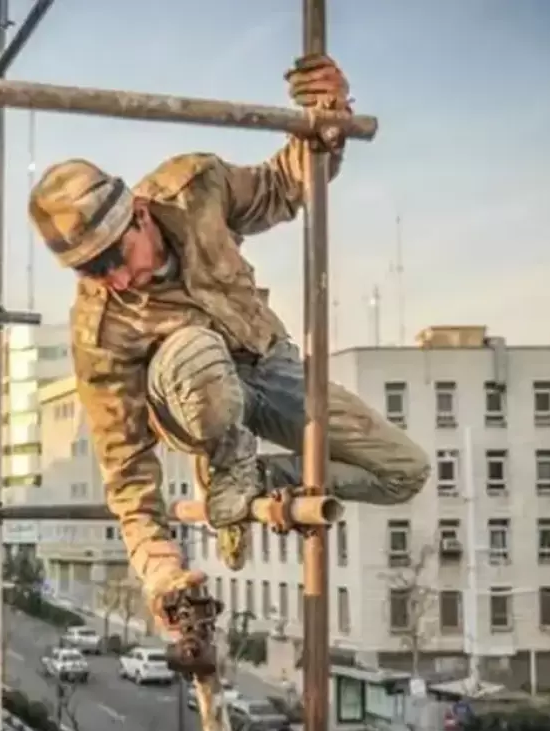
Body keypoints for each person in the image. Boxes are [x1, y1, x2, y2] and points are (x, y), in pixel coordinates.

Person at [28, 56, 430, 635]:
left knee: (403, 471)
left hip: (268, 364)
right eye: (92, 271)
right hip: (193, 396)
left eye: (116, 257)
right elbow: (127, 474)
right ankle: (226, 458)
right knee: (195, 349)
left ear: (139, 214)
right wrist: (162, 573)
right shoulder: (101, 331)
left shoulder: (195, 189)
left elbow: (283, 187)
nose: (114, 279)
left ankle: (245, 483)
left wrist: (327, 120)